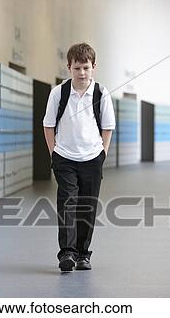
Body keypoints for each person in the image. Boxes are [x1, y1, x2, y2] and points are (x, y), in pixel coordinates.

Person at [43, 43, 116, 272]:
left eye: (86, 67)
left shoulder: (102, 94)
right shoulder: (59, 93)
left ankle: (83, 254)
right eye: (77, 68)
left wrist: (102, 153)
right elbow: (48, 125)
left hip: (92, 158)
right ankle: (67, 253)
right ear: (69, 67)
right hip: (64, 158)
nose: (82, 73)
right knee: (67, 204)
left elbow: (108, 127)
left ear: (94, 67)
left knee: (87, 207)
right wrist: (53, 154)